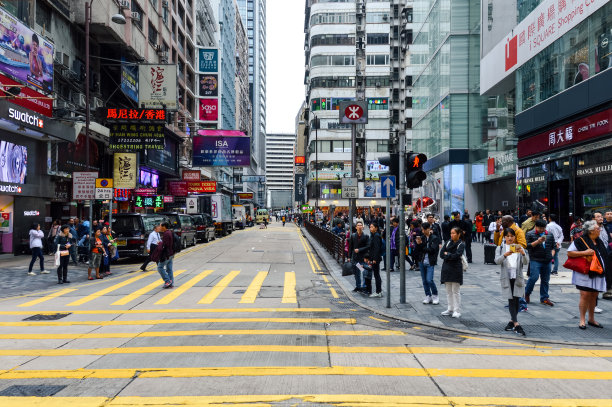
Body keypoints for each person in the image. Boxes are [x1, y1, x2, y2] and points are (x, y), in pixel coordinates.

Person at [567, 220, 607, 329]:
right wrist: (585, 252)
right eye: (598, 229)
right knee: (585, 295)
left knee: (594, 295)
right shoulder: (580, 241)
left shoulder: (599, 241)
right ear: (591, 231)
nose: (600, 230)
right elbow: (570, 253)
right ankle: (582, 320)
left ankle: (591, 319)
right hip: (584, 273)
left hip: (597, 272)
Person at [495, 228, 528, 336]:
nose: (510, 238)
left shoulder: (519, 247)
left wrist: (523, 254)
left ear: (515, 237)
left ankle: (511, 322)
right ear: (504, 237)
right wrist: (505, 255)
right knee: (511, 300)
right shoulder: (500, 248)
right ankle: (516, 324)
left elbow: (526, 262)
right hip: (507, 277)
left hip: (517, 277)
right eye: (507, 236)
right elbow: (496, 261)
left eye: (512, 236)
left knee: (517, 299)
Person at [525, 219, 556, 306]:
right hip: (535, 259)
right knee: (533, 277)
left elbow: (553, 247)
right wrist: (538, 241)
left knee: (545, 280)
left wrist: (552, 255)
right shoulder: (530, 234)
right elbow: (527, 246)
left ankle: (544, 298)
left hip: (547, 260)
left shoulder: (549, 234)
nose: (542, 230)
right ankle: (527, 293)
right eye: (540, 228)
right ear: (536, 226)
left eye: (543, 228)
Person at [440, 227, 465, 318]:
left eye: (454, 233)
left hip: (456, 269)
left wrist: (448, 254)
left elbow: (457, 256)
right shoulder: (447, 242)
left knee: (455, 291)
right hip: (446, 269)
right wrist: (449, 255)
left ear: (458, 234)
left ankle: (457, 310)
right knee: (448, 291)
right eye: (451, 233)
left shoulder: (461, 244)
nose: (452, 235)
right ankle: (450, 308)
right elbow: (441, 254)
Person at [416, 222, 440, 305]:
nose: (422, 231)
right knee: (424, 280)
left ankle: (435, 295)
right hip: (422, 261)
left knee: (429, 280)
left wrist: (422, 246)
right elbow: (418, 250)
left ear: (428, 229)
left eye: (423, 230)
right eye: (421, 229)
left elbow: (432, 250)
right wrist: (418, 244)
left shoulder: (434, 238)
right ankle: (428, 295)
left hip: (430, 261)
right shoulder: (422, 237)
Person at [348, 220, 370, 293]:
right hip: (356, 258)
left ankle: (364, 287)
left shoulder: (366, 236)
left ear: (363, 227)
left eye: (361, 225)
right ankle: (358, 286)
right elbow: (350, 247)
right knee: (357, 273)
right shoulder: (353, 236)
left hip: (363, 258)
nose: (360, 227)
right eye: (358, 225)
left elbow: (368, 246)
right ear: (356, 227)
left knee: (364, 272)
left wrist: (359, 250)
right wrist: (349, 257)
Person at [152, 222, 176, 288]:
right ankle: (171, 282)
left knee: (160, 268)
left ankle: (167, 281)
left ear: (164, 226)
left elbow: (165, 245)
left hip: (166, 254)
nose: (159, 227)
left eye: (160, 226)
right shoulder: (170, 232)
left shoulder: (166, 234)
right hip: (171, 253)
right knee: (169, 269)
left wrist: (160, 244)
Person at [366, 223, 383, 297]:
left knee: (376, 275)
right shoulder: (373, 235)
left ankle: (378, 291)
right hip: (373, 258)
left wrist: (374, 259)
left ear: (376, 228)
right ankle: (379, 291)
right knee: (376, 274)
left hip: (375, 259)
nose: (370, 228)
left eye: (372, 227)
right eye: (370, 227)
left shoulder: (376, 236)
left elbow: (376, 248)